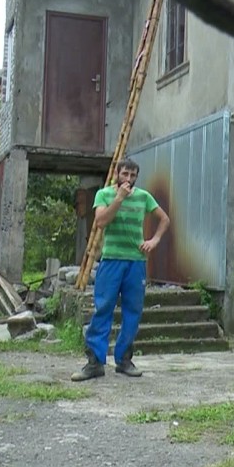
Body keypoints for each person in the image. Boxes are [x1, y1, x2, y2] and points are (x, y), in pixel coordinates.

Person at [72, 158, 170, 382]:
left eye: (133, 175)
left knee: (133, 311)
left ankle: (124, 360)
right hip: (111, 260)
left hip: (136, 261)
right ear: (117, 174)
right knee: (103, 308)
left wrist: (154, 240)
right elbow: (100, 222)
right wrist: (119, 198)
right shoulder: (104, 194)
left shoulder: (144, 197)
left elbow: (164, 219)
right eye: (125, 174)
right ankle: (94, 363)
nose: (128, 179)